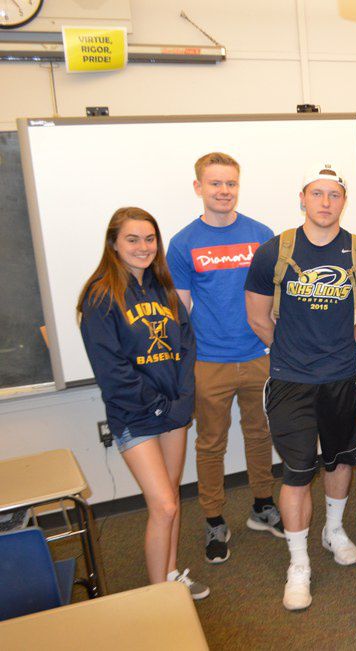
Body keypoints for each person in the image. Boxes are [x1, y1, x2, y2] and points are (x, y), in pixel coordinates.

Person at [244, 164, 356, 610]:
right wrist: (294, 353)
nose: (326, 202)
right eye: (317, 193)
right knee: (297, 472)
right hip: (291, 381)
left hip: (342, 378)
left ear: (344, 201)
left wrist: (335, 353)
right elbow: (257, 317)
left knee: (341, 460)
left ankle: (333, 530)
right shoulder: (274, 251)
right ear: (302, 198)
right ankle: (298, 562)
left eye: (334, 195)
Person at [78, 207, 209, 599]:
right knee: (164, 505)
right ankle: (158, 601)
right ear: (114, 244)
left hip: (173, 411)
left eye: (150, 239)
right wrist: (158, 407)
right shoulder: (100, 295)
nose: (143, 247)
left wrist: (183, 399)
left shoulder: (162, 287)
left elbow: (186, 346)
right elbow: (111, 370)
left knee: (171, 499)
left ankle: (170, 574)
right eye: (132, 239)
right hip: (135, 416)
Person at [166, 152, 281, 565]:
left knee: (260, 433)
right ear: (199, 187)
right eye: (215, 183)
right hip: (209, 361)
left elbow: (275, 296)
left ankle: (263, 505)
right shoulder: (183, 243)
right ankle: (214, 519)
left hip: (258, 355)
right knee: (211, 443)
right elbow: (180, 310)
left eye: (230, 183)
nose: (223, 191)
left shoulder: (261, 235)